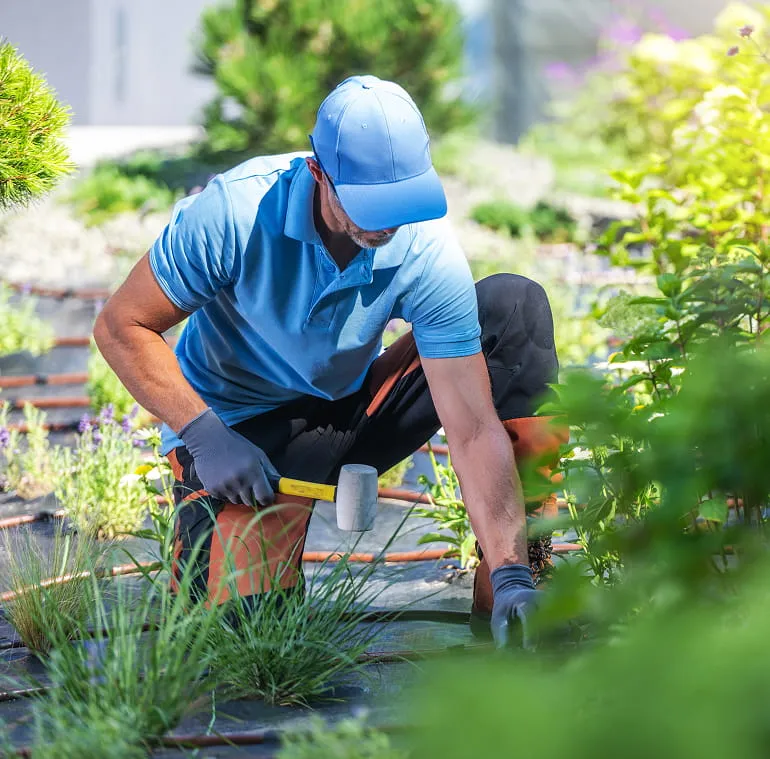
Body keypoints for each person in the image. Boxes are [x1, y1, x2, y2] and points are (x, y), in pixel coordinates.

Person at [94, 75, 565, 647]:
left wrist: (512, 572)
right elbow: (122, 325)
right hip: (239, 439)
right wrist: (203, 433)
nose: (388, 223)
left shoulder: (423, 244)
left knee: (513, 308)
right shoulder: (234, 212)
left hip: (348, 407)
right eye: (370, 204)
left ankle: (515, 590)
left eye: (401, 202)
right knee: (245, 640)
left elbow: (471, 427)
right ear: (319, 173)